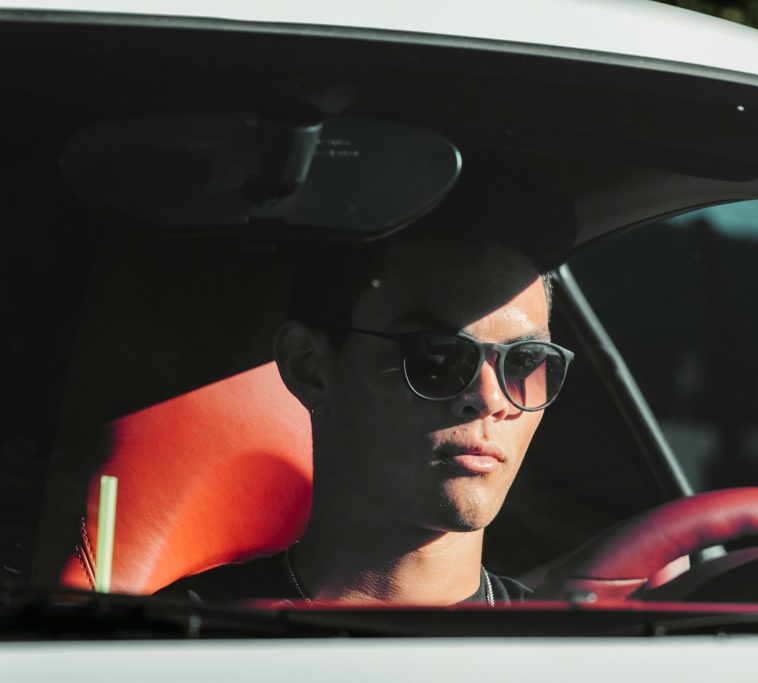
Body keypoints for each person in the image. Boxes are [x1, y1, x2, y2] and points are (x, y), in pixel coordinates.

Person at [159, 168, 576, 605]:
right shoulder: (175, 638)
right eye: (437, 355)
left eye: (524, 362)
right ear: (309, 367)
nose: (490, 399)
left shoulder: (578, 644)